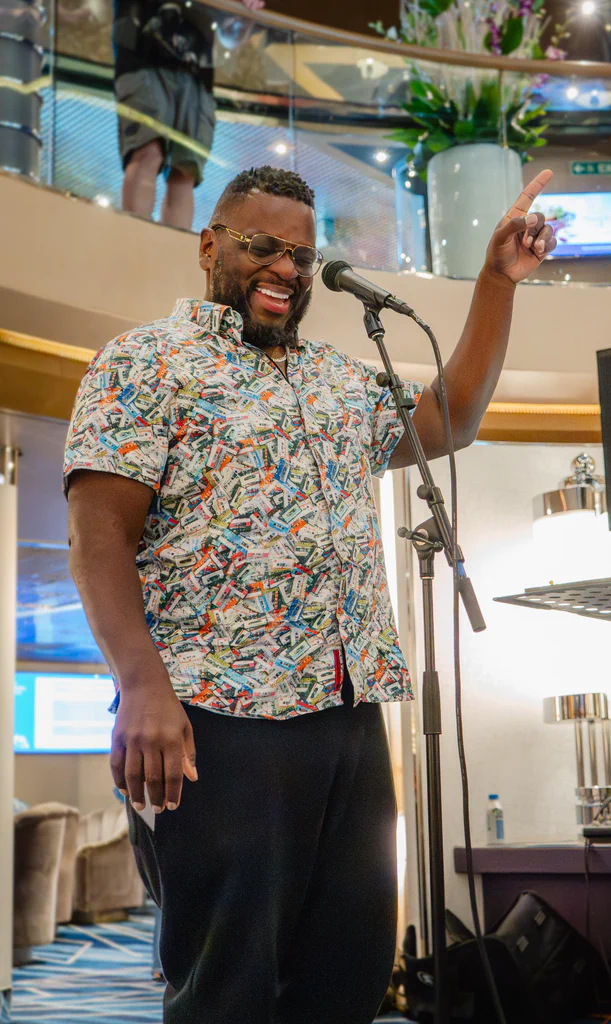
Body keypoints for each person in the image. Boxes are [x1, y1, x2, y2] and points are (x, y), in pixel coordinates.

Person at [64, 165, 557, 1023]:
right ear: (210, 244)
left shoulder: (337, 378)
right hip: (215, 717)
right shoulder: (143, 364)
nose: (288, 269)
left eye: (302, 253)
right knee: (229, 986)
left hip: (349, 711)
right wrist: (141, 686)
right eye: (263, 246)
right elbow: (97, 541)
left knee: (348, 975)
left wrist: (493, 282)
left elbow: (455, 416)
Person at [113, 0, 263, 228]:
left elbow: (229, 36)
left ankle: (169, 254)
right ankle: (133, 241)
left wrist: (246, 15)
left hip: (196, 74)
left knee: (185, 170)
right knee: (147, 152)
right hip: (142, 57)